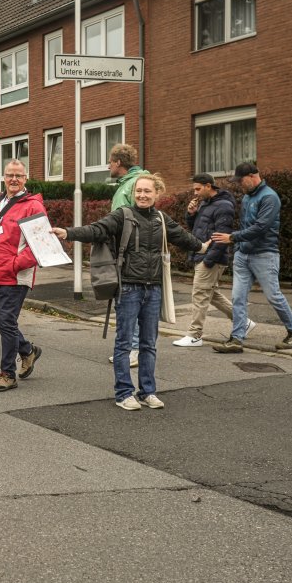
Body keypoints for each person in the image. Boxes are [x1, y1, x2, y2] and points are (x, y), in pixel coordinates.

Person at [53, 173, 208, 410]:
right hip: (128, 288)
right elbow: (97, 230)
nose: (142, 195)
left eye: (147, 191)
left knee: (149, 344)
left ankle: (148, 392)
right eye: (139, 191)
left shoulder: (161, 219)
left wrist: (202, 246)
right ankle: (124, 393)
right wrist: (68, 233)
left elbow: (182, 237)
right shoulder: (122, 215)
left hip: (153, 288)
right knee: (124, 343)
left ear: (157, 193)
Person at [210, 163, 292, 354]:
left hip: (264, 254)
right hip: (243, 255)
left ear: (253, 176)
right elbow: (246, 225)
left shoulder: (269, 197)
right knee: (238, 297)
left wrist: (233, 238)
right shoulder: (247, 197)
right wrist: (238, 248)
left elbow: (261, 227)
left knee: (273, 296)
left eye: (241, 180)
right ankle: (236, 339)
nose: (239, 185)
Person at [0, 159, 44, 391]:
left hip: (15, 275)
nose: (14, 179)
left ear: (26, 179)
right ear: (4, 178)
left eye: (18, 175)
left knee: (6, 321)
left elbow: (39, 244)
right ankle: (27, 350)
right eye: (10, 175)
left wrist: (15, 264)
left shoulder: (33, 206)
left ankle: (8, 374)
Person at [172, 173, 254, 348]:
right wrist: (191, 214)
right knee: (212, 294)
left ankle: (195, 335)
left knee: (200, 294)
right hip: (203, 254)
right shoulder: (206, 203)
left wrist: (208, 260)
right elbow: (197, 229)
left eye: (198, 189)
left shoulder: (224, 206)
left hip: (211, 257)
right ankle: (243, 322)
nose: (195, 192)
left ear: (208, 186)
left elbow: (222, 237)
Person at [107, 143, 149, 367]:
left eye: (110, 162)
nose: (108, 166)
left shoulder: (132, 185)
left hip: (130, 254)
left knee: (128, 302)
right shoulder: (131, 183)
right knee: (131, 302)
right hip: (130, 252)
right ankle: (135, 348)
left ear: (118, 162)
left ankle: (134, 350)